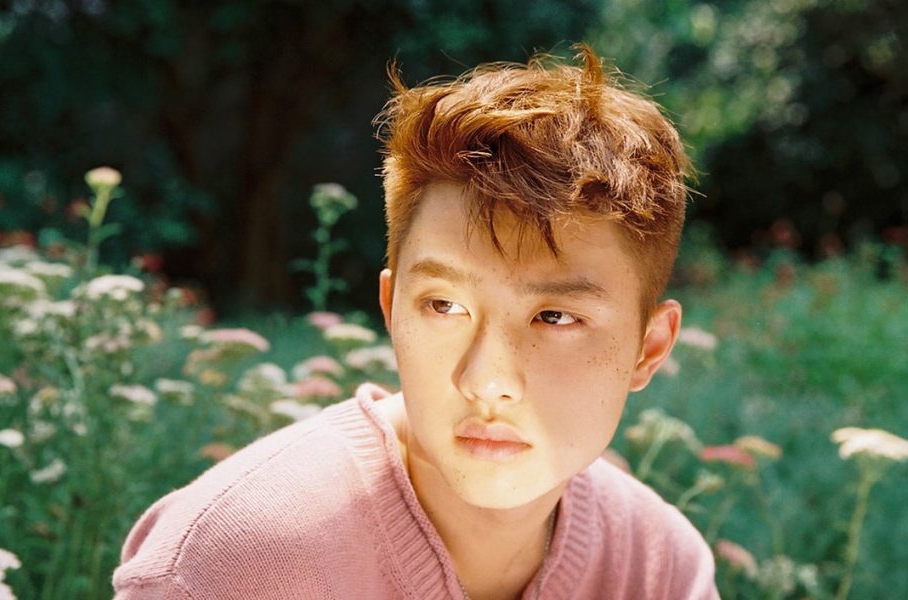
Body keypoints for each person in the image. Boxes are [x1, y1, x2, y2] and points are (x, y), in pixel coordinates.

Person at [112, 45, 719, 599]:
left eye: (555, 316)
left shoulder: (661, 569)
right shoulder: (226, 569)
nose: (485, 382)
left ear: (649, 348)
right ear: (390, 307)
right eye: (444, 306)